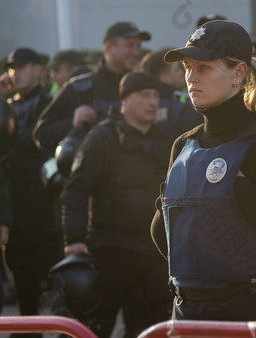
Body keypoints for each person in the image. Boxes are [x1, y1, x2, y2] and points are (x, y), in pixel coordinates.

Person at [150, 20, 256, 322]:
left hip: (252, 314)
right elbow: (166, 239)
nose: (190, 78)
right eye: (187, 68)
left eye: (203, 68)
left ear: (239, 72)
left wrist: (242, 193)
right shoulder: (184, 145)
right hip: (187, 313)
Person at [60, 72, 172, 338]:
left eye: (155, 96)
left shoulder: (165, 140)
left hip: (153, 252)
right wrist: (74, 238)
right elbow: (76, 190)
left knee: (146, 327)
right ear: (125, 100)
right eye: (144, 95)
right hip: (110, 250)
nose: (152, 102)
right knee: (95, 325)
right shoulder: (102, 138)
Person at [3, 48, 63, 337]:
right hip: (15, 202)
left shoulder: (51, 103)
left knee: (54, 272)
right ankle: (27, 329)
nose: (15, 73)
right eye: (12, 68)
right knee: (21, 271)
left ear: (38, 69)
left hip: (45, 203)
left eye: (22, 67)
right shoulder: (7, 103)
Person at [34, 21, 151, 153]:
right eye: (129, 46)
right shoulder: (78, 88)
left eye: (138, 46)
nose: (135, 52)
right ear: (108, 48)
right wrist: (73, 123)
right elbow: (42, 133)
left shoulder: (148, 89)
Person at [139, 48, 203, 140]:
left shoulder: (139, 106)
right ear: (164, 78)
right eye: (177, 70)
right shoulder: (183, 109)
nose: (182, 73)